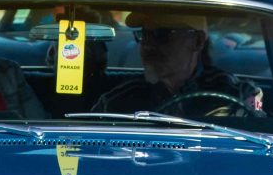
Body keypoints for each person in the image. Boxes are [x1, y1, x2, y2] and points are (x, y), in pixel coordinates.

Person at [94, 10, 263, 116]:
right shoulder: (117, 101)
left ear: (197, 41)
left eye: (162, 35)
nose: (148, 44)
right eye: (145, 34)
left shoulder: (237, 95)